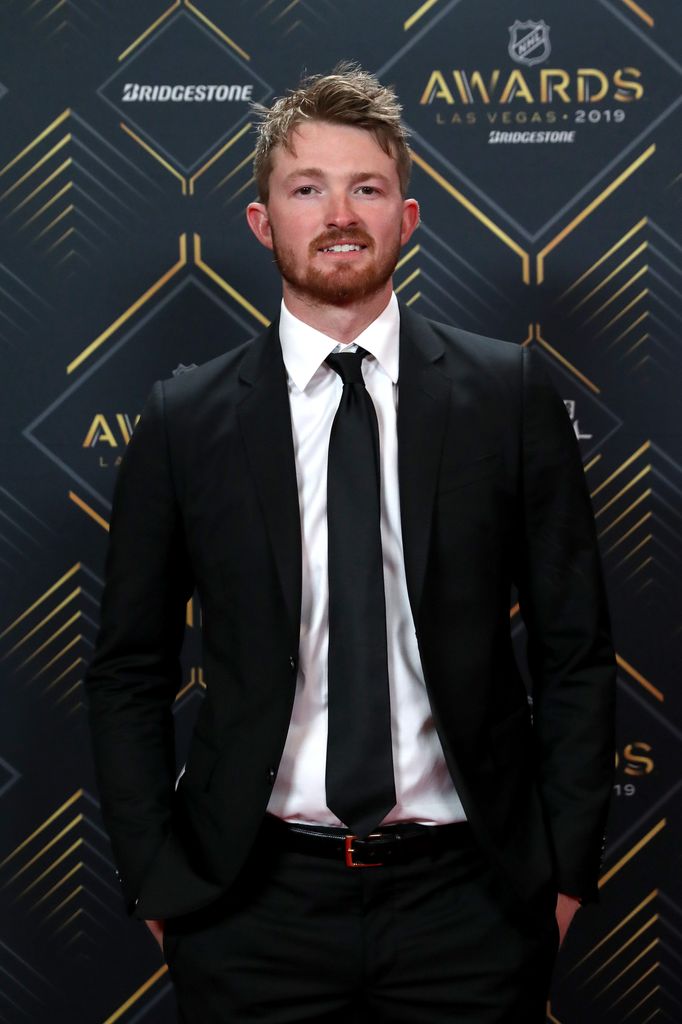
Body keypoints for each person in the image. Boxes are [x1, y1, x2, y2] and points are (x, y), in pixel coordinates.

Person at [85, 64, 616, 1023]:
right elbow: (128, 669)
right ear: (261, 223)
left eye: (367, 187)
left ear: (407, 218)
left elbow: (575, 651)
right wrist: (161, 884)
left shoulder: (508, 395)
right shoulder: (184, 419)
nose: (340, 213)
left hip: (473, 900)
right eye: (307, 188)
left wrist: (561, 875)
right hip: (250, 906)